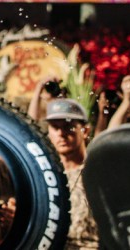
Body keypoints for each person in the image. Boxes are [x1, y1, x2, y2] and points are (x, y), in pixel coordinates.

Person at [44, 98, 99, 249]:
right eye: (55, 127)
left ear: (85, 131)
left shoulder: (97, 172)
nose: (61, 133)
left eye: (69, 127)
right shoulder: (46, 176)